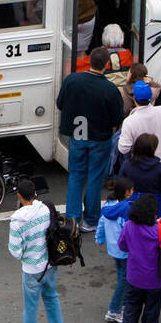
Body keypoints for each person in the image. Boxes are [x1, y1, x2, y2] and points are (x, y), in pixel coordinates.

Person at [57, 46, 125, 233]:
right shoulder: (109, 89)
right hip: (99, 138)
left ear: (89, 61)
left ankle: (72, 218)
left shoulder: (72, 80)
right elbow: (117, 118)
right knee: (95, 177)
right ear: (107, 64)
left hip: (77, 136)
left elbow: (60, 103)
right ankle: (91, 219)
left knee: (76, 176)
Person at [8, 179, 70, 323]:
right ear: (35, 192)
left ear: (19, 196)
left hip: (31, 270)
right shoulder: (45, 209)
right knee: (52, 300)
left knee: (31, 308)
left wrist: (25, 255)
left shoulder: (18, 220)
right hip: (50, 265)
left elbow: (15, 250)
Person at [117, 80, 161, 228]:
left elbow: (123, 148)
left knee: (135, 200)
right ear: (150, 98)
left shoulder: (130, 121)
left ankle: (137, 230)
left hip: (136, 165)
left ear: (134, 99)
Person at [117, 193, 161, 323]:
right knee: (152, 309)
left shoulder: (129, 226)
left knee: (132, 304)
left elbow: (122, 246)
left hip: (135, 275)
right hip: (156, 278)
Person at [95, 175, 134, 323]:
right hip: (124, 251)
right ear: (127, 192)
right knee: (124, 280)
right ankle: (114, 310)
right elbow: (127, 231)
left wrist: (99, 238)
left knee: (122, 277)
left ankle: (122, 305)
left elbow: (101, 223)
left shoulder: (108, 206)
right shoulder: (125, 209)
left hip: (113, 249)